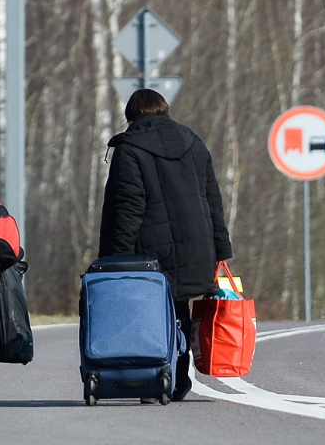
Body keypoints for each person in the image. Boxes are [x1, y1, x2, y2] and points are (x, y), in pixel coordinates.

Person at [98, 89, 233, 403]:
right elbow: (214, 203)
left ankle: (156, 374)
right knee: (179, 306)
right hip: (197, 248)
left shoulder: (130, 149)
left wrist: (115, 260)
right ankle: (178, 378)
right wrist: (221, 251)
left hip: (150, 251)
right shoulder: (194, 144)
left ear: (132, 117)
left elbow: (129, 209)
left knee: (150, 310)